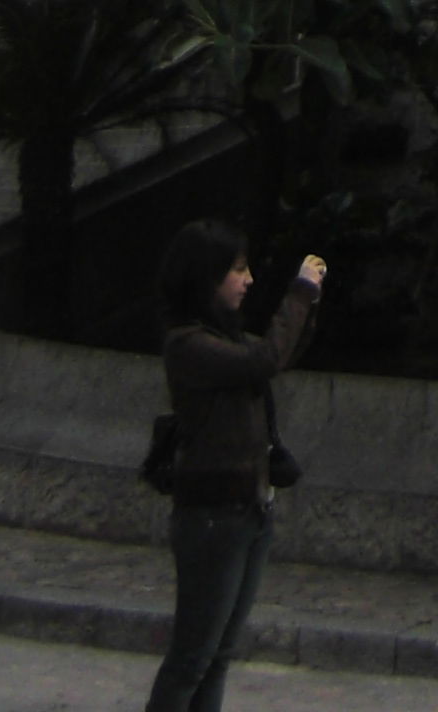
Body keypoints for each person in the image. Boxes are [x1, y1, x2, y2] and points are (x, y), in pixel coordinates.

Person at [145, 219, 329, 712]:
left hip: (249, 509)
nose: (246, 281)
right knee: (192, 657)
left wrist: (307, 304)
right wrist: (300, 293)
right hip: (212, 516)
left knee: (219, 655)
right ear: (207, 277)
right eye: (238, 270)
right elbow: (263, 360)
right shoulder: (189, 344)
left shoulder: (225, 337)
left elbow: (275, 354)